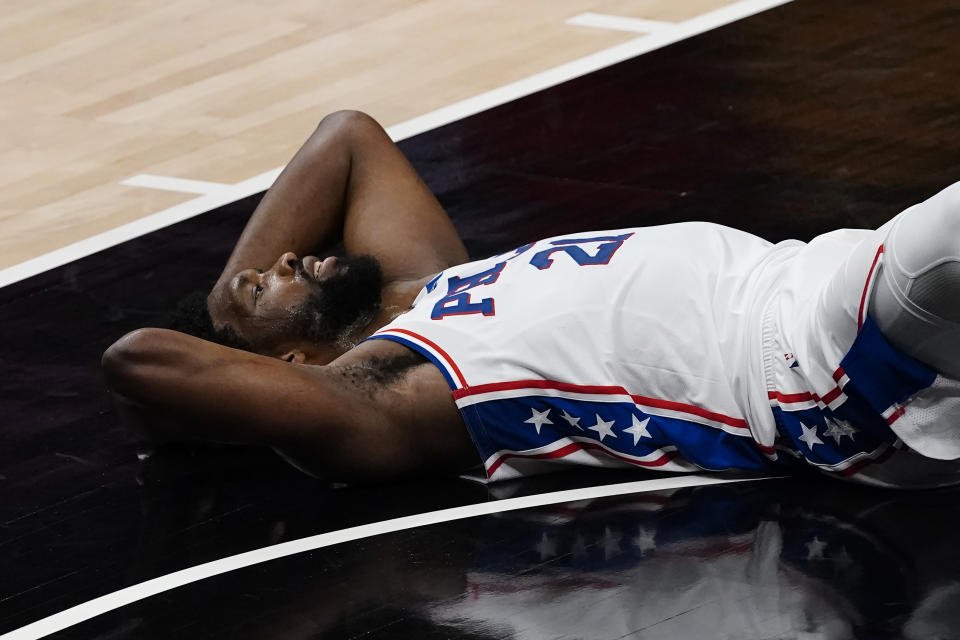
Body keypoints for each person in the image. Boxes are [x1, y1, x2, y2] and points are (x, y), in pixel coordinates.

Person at [102, 110, 960, 488]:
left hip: (834, 285)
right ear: (287, 366)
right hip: (822, 360)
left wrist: (250, 306)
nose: (285, 255)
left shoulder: (422, 288)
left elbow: (348, 137)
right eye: (268, 285)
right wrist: (228, 314)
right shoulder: (381, 395)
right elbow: (138, 356)